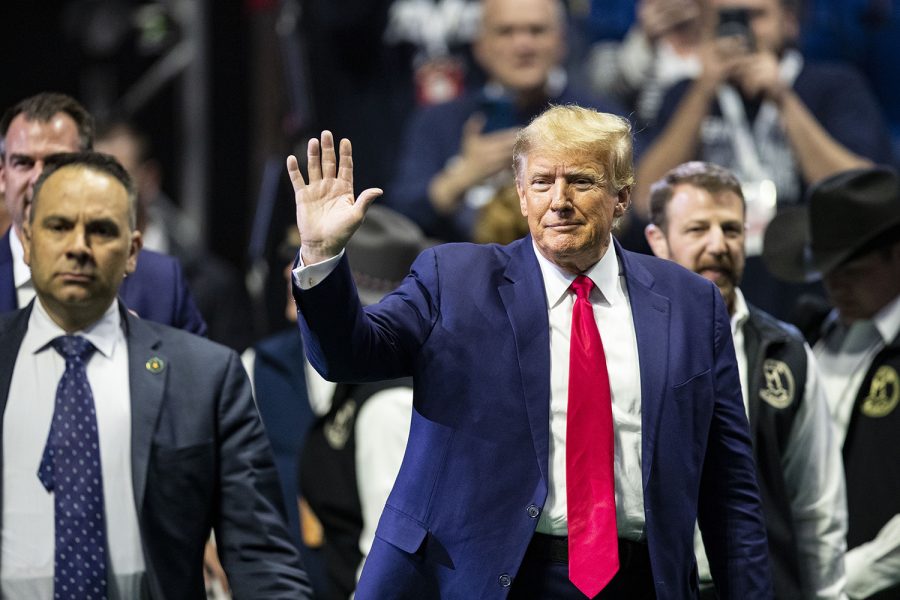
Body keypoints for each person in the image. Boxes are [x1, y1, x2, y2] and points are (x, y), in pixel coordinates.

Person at [287, 105, 772, 598]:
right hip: (481, 578)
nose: (558, 201)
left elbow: (729, 488)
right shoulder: (453, 278)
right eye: (541, 182)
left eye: (581, 181)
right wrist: (322, 257)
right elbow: (347, 357)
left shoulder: (692, 304)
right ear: (521, 195)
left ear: (622, 196)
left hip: (638, 580)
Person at [0, 151, 312, 598]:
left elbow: (261, 558)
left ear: (132, 253)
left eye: (102, 230)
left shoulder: (206, 377)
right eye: (59, 226)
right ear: (27, 243)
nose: (78, 246)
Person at [644, 161, 846, 598]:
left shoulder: (786, 352)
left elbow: (817, 507)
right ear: (657, 241)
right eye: (698, 229)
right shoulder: (622, 343)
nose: (719, 245)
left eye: (732, 230)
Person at [633, 0, 892, 235]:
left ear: (789, 22)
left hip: (808, 266)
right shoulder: (683, 94)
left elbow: (859, 197)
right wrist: (703, 89)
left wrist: (783, 98)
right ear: (704, 25)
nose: (740, 31)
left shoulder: (833, 85)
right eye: (725, 18)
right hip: (711, 270)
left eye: (755, 16)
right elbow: (646, 200)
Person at [763, 166, 900, 599]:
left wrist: (840, 579)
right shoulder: (806, 340)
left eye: (852, 268)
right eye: (825, 268)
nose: (835, 283)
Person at [386, 0, 624, 243]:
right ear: (480, 46)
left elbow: (633, 211)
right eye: (506, 32)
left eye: (536, 30)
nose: (522, 45)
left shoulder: (599, 119)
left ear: (562, 41)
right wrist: (463, 175)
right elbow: (399, 216)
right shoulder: (440, 120)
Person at [0, 92, 206, 334]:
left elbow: (197, 369)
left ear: (90, 170)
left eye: (55, 161)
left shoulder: (160, 283)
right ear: (3, 177)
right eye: (23, 163)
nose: (38, 178)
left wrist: (141, 353)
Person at [95, 120, 255, 350]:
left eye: (118, 173)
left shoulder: (213, 286)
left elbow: (225, 380)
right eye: (94, 174)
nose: (103, 187)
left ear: (150, 179)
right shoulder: (74, 273)